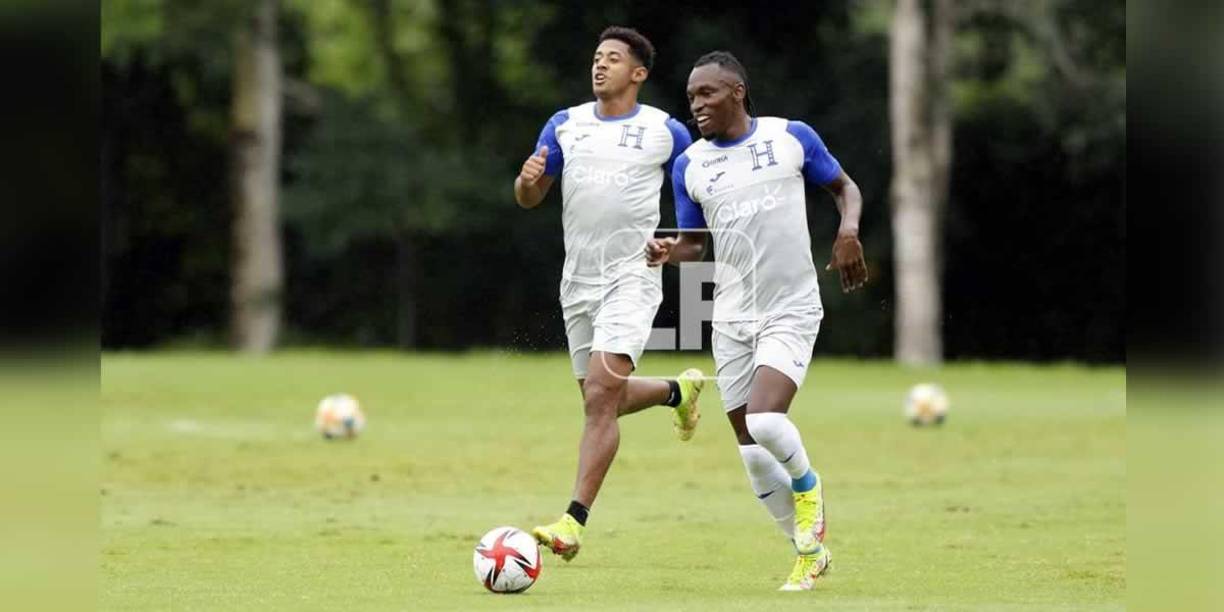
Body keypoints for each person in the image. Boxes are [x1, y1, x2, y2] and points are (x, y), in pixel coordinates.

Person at [645, 50, 869, 591]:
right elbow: (695, 245)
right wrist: (667, 250)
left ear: (737, 92)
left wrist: (847, 231)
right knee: (751, 453)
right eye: (692, 96)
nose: (697, 104)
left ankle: (809, 489)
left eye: (707, 93)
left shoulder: (790, 137)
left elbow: (845, 187)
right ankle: (808, 552)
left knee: (767, 421)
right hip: (730, 317)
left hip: (790, 308)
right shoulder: (690, 164)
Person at [514, 26, 704, 562]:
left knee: (600, 395)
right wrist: (527, 180)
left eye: (613, 59)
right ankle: (676, 392)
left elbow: (698, 194)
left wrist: (678, 245)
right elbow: (529, 197)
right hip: (577, 280)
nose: (600, 65)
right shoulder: (565, 124)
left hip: (632, 275)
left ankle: (572, 522)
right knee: (602, 400)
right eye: (597, 57)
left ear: (638, 73)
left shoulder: (665, 131)